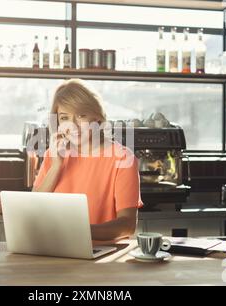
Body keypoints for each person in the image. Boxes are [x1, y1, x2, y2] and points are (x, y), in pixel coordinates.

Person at [32, 79, 143, 241]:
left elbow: (127, 225)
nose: (73, 126)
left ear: (97, 117)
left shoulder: (122, 158)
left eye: (81, 115)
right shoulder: (54, 154)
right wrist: (56, 166)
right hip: (55, 247)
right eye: (64, 118)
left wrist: (79, 232)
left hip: (102, 254)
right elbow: (32, 207)